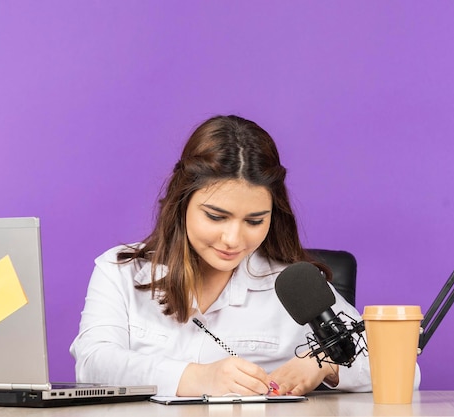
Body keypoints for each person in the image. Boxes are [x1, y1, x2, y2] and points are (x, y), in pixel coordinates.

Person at [70, 115, 374, 397]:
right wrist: (197, 378)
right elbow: (93, 363)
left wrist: (326, 365)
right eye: (216, 217)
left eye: (254, 221)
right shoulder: (120, 271)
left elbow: (394, 366)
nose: (233, 240)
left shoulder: (295, 285)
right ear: (183, 200)